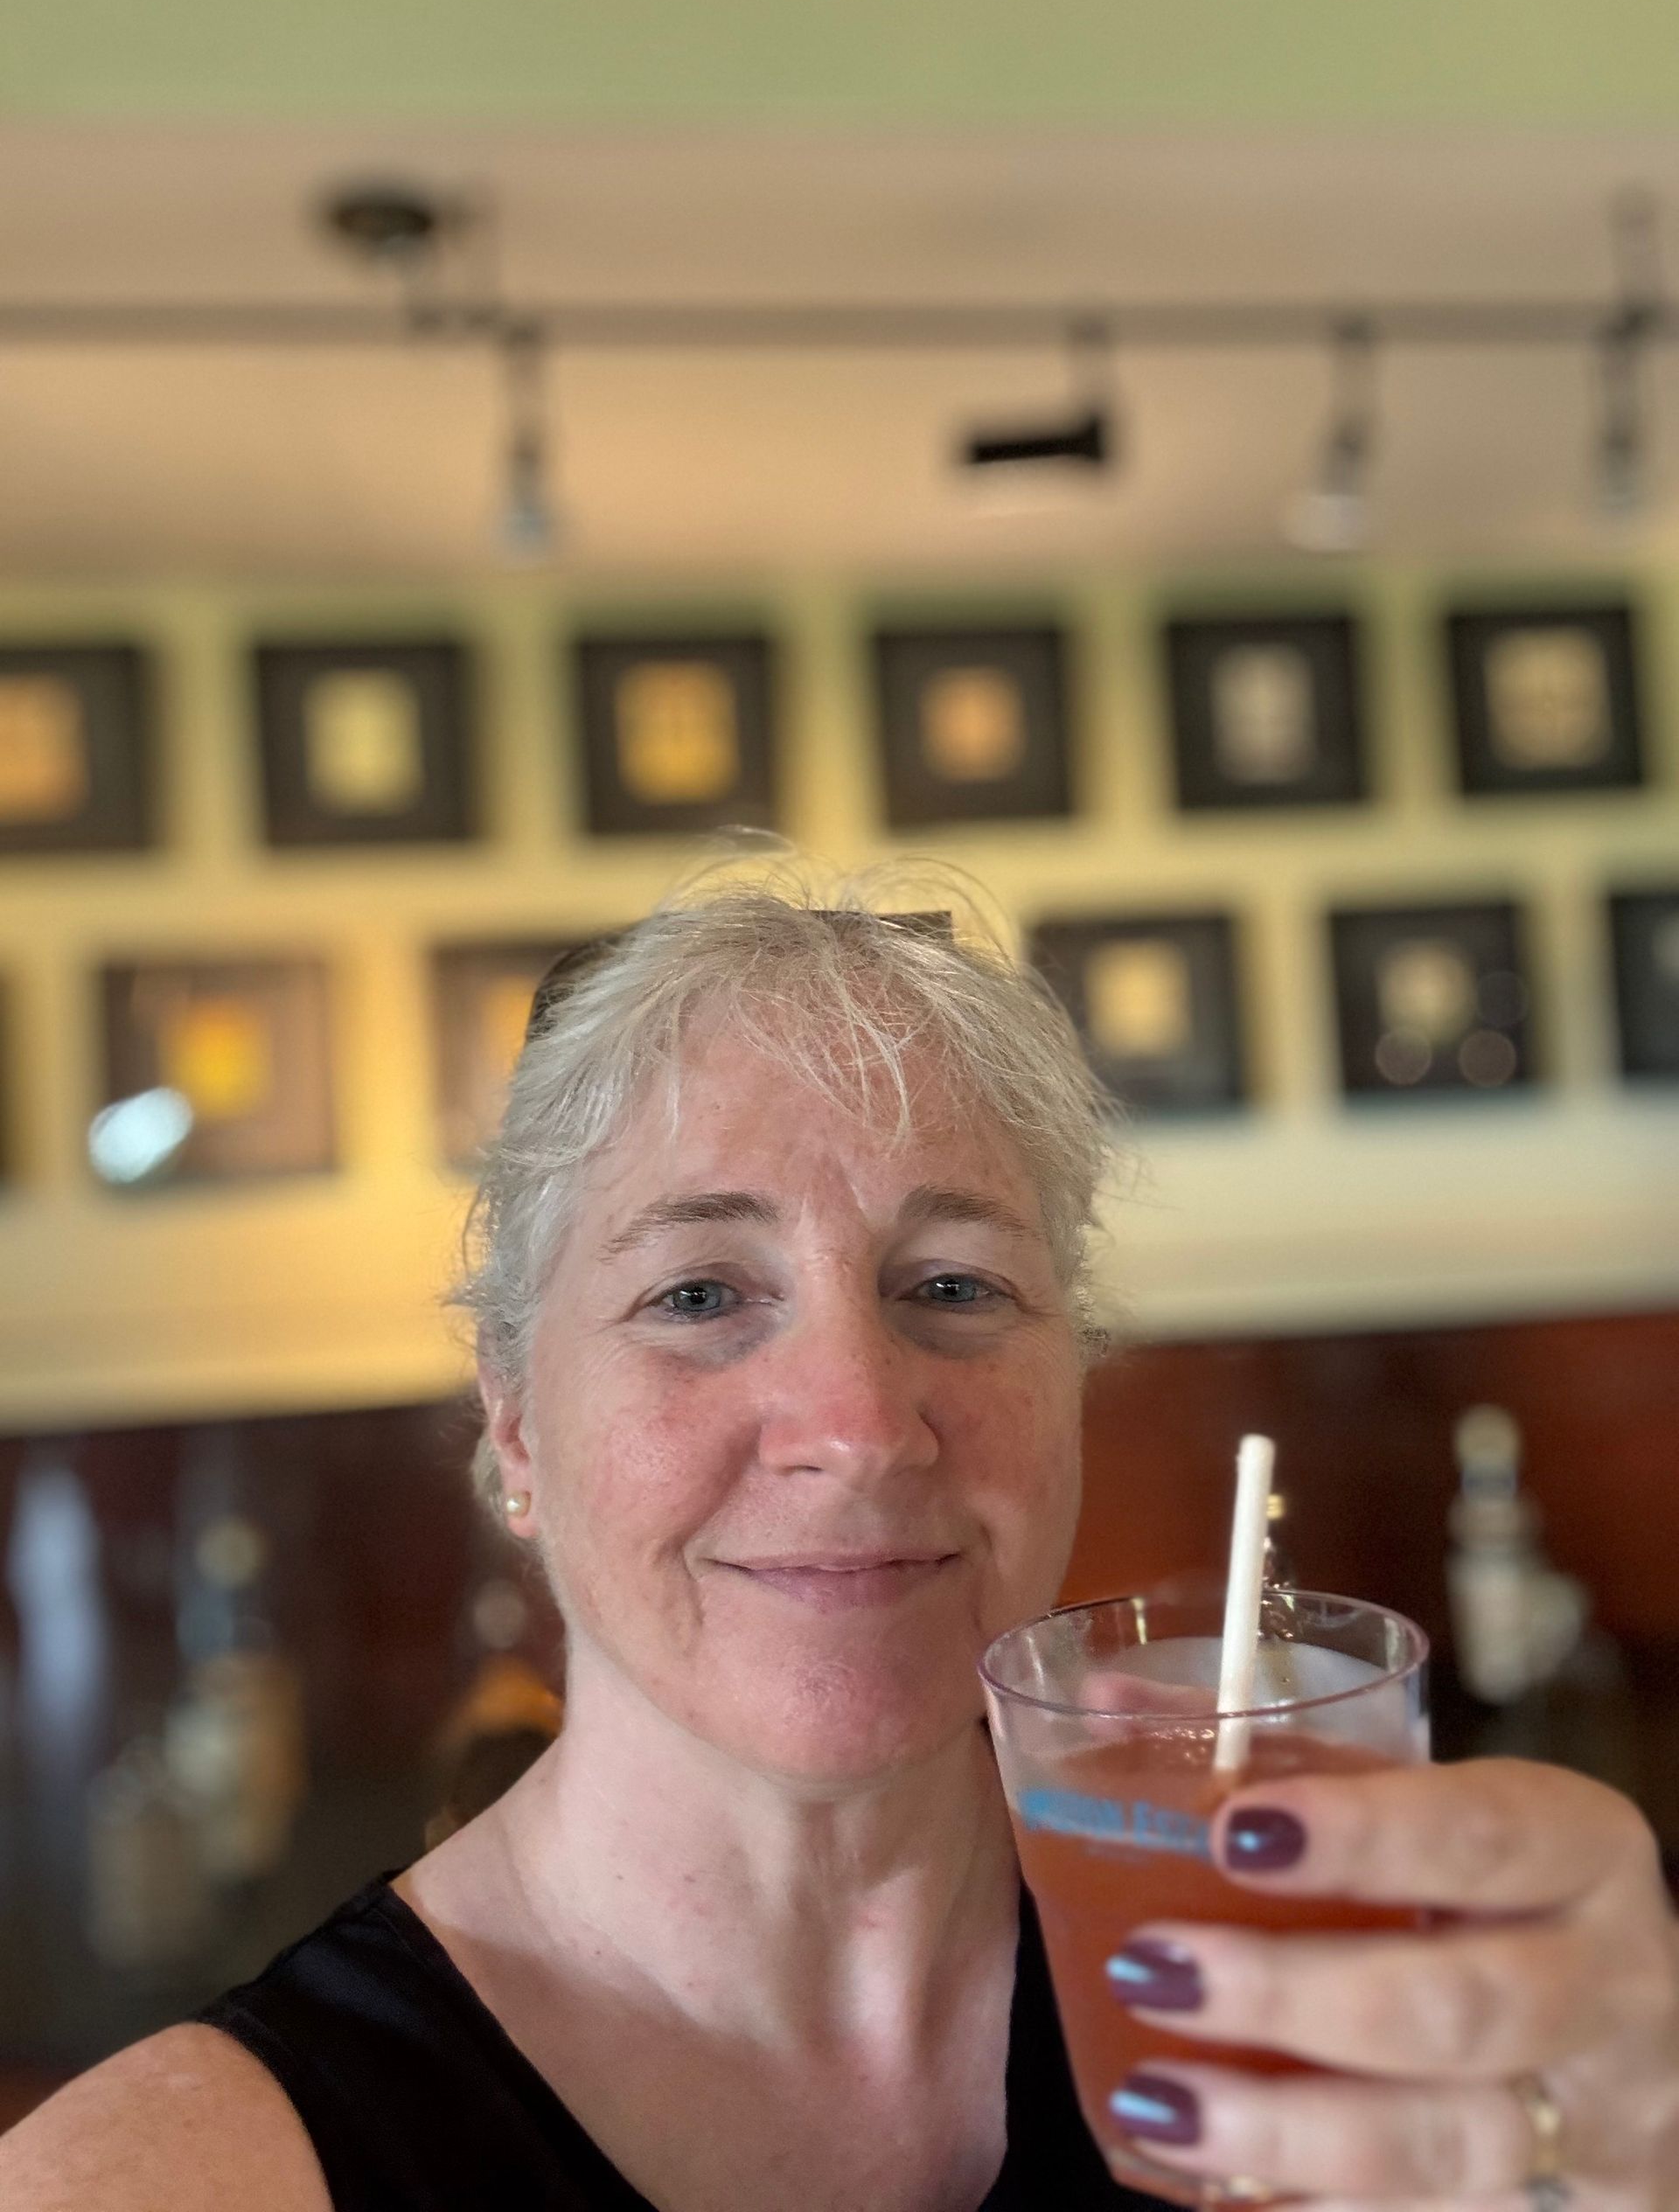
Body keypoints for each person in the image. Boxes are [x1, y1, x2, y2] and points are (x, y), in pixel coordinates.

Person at [3, 867, 1676, 2211]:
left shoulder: (1316, 2015)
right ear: (516, 1423)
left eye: (954, 1287)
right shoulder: (173, 2178)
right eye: (700, 1295)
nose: (864, 1422)